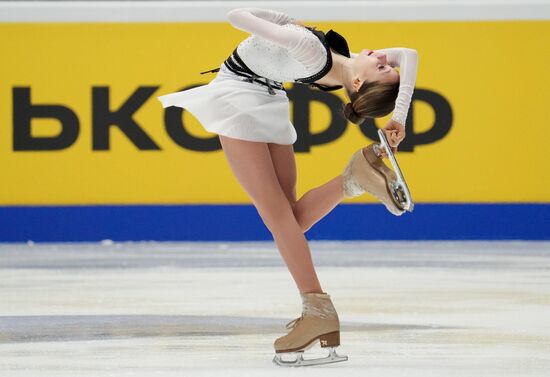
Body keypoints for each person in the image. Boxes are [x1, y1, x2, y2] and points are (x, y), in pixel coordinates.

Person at [158, 7, 418, 366]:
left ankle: (317, 309)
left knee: (278, 218)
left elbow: (237, 15)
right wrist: (399, 116)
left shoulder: (310, 49)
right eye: (386, 66)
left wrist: (287, 20)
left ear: (357, 85)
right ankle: (352, 180)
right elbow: (410, 53)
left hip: (239, 97)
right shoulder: (346, 65)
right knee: (290, 219)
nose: (383, 59)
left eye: (382, 68)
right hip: (268, 99)